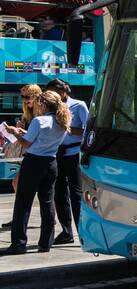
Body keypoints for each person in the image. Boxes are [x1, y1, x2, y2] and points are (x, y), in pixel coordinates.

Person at [2, 90, 70, 254]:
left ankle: (19, 243)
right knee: (47, 203)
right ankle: (45, 243)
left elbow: (26, 144)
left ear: (44, 104)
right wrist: (23, 133)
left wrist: (15, 133)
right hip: (51, 163)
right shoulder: (62, 121)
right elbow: (40, 139)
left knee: (23, 203)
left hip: (33, 162)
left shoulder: (39, 121)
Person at [46, 78, 88, 243]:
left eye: (54, 92)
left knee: (76, 193)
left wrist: (66, 127)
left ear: (63, 91)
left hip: (73, 153)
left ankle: (82, 231)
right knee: (59, 193)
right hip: (57, 153)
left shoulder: (78, 105)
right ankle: (66, 231)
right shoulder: (52, 108)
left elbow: (86, 129)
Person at [1, 85, 44, 232]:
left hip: (39, 154)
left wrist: (19, 130)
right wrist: (18, 128)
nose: (25, 101)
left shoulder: (42, 114)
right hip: (29, 153)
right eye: (23, 97)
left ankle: (24, 218)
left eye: (28, 97)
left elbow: (39, 135)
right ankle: (20, 217)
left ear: (37, 96)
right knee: (17, 183)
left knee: (44, 189)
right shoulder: (28, 113)